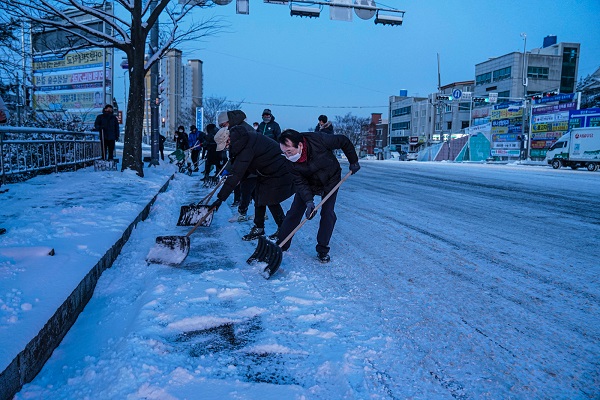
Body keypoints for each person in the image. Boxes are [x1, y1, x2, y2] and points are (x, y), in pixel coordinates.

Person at [277, 129, 360, 263]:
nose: (287, 156)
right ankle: (281, 245)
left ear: (300, 145)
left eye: (289, 152)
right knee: (294, 212)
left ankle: (322, 249)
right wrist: (309, 202)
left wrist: (353, 160)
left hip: (330, 179)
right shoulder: (290, 162)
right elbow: (300, 182)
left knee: (328, 213)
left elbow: (343, 141)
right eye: (284, 153)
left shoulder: (318, 140)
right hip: (308, 182)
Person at [210, 110, 293, 241]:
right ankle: (259, 228)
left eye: (225, 145)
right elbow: (240, 170)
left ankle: (284, 229)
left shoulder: (245, 144)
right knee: (259, 196)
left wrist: (220, 198)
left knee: (270, 199)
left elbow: (237, 173)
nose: (226, 148)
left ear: (229, 139)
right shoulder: (240, 141)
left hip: (278, 169)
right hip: (264, 170)